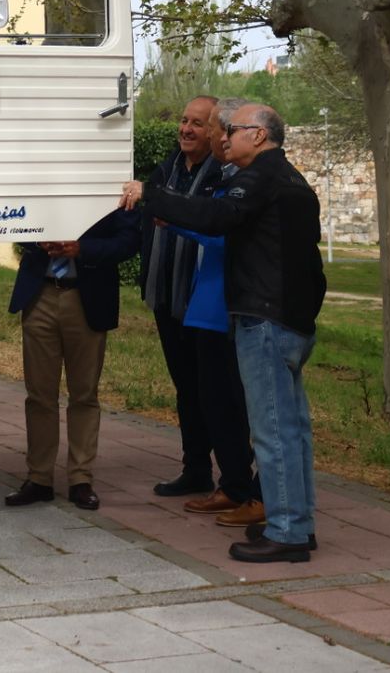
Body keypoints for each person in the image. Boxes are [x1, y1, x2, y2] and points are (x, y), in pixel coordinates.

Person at [140, 103, 325, 563]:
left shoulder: (259, 178)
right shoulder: (293, 181)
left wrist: (150, 195)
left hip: (265, 319)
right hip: (293, 320)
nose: (226, 138)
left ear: (259, 136)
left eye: (234, 130)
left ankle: (286, 533)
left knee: (274, 430)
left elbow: (217, 218)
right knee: (294, 429)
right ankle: (298, 521)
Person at [162, 98, 262, 526]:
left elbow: (222, 235)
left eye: (227, 130)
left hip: (227, 311)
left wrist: (170, 215)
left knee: (237, 407)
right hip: (204, 310)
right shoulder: (225, 177)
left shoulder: (249, 182)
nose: (222, 138)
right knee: (213, 404)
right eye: (222, 131)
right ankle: (233, 485)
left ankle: (252, 493)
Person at [3, 208, 140, 512]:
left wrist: (82, 249)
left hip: (87, 297)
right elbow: (11, 220)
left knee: (84, 394)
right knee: (39, 394)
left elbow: (129, 240)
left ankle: (80, 479)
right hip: (40, 294)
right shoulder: (42, 170)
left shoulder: (111, 179)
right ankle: (39, 478)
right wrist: (37, 240)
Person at [121, 96, 222, 499]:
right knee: (185, 387)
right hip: (166, 297)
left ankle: (237, 477)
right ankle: (196, 469)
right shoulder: (166, 170)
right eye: (183, 120)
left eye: (197, 123)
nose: (186, 129)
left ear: (214, 131)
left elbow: (207, 220)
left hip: (204, 300)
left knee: (215, 391)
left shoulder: (223, 175)